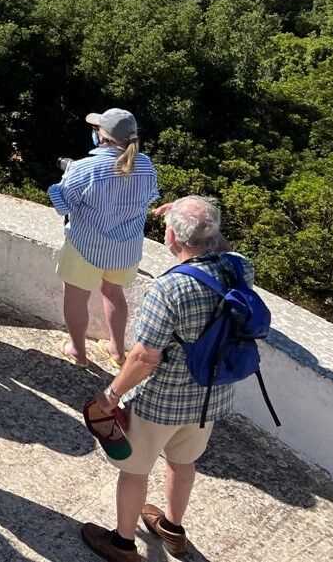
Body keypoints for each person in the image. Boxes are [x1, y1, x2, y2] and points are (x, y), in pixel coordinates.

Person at [80, 197, 246, 561]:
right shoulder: (238, 267)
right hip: (209, 396)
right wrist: (196, 218)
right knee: (183, 462)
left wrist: (110, 395)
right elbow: (222, 247)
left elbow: (144, 357)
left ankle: (123, 544)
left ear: (172, 238)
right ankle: (172, 528)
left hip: (162, 402)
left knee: (135, 471)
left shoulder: (169, 289)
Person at [48, 108, 159, 367]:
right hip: (126, 249)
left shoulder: (85, 168)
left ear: (103, 136)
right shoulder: (146, 164)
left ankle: (77, 351)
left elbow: (62, 205)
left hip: (85, 246)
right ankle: (117, 351)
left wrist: (64, 178)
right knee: (114, 293)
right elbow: (149, 198)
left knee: (76, 298)